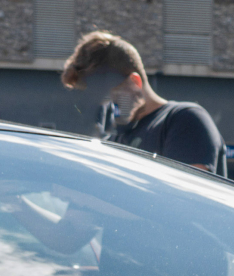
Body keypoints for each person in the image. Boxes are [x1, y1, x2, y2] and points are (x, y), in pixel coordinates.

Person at [59, 32, 225, 173]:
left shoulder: (184, 120)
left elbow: (186, 200)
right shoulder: (118, 137)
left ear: (135, 82)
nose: (107, 105)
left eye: (110, 97)